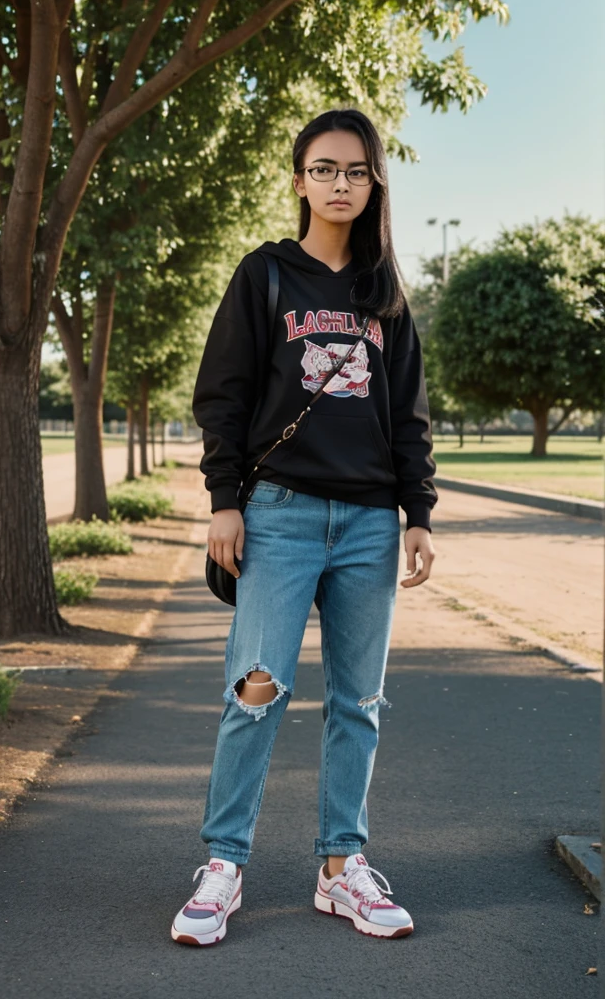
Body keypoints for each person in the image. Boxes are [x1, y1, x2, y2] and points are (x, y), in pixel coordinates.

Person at [171, 108, 437, 946]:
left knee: (360, 702)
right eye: (324, 169)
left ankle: (340, 869)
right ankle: (223, 867)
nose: (340, 184)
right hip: (278, 516)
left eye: (356, 171)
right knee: (255, 692)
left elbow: (410, 415)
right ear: (299, 180)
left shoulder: (385, 292)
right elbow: (223, 394)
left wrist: (419, 513)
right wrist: (224, 501)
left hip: (368, 526)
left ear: (374, 183)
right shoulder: (266, 276)